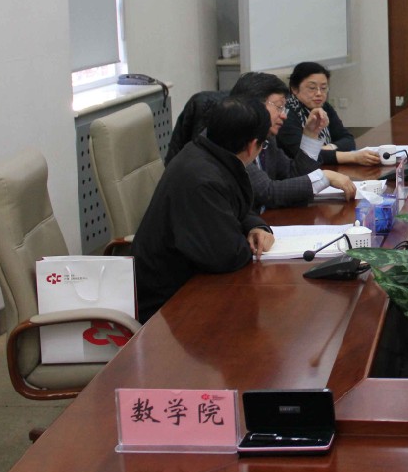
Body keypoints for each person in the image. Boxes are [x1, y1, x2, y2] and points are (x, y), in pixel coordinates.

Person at [132, 98, 276, 321]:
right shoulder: (202, 180)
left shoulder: (207, 153)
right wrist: (245, 240)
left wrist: (255, 227)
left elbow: (235, 209)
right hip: (167, 307)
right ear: (251, 146)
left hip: (193, 284)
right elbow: (228, 256)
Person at [230, 72, 357, 208]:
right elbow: (268, 192)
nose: (284, 115)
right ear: (254, 106)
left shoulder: (268, 139)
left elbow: (293, 174)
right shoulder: (232, 139)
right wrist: (323, 177)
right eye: (279, 107)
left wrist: (310, 135)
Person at [277, 61, 381, 166]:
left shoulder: (324, 107)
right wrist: (353, 157)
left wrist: (328, 148)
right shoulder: (285, 113)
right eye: (312, 88)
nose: (319, 93)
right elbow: (304, 154)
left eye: (323, 88)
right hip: (299, 172)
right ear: (294, 89)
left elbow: (348, 140)